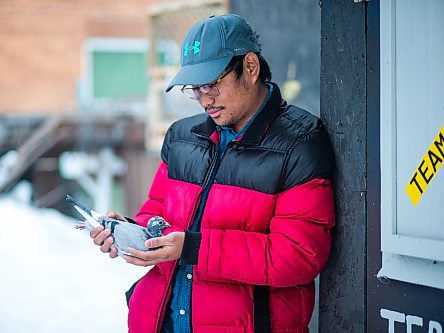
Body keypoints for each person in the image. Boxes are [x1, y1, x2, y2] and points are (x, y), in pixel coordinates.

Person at [90, 13, 335, 333]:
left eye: (211, 84)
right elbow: (156, 216)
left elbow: (298, 256)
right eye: (194, 88)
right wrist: (128, 233)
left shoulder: (299, 142)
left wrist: (193, 247)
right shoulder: (181, 137)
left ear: (250, 67)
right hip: (158, 321)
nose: (204, 99)